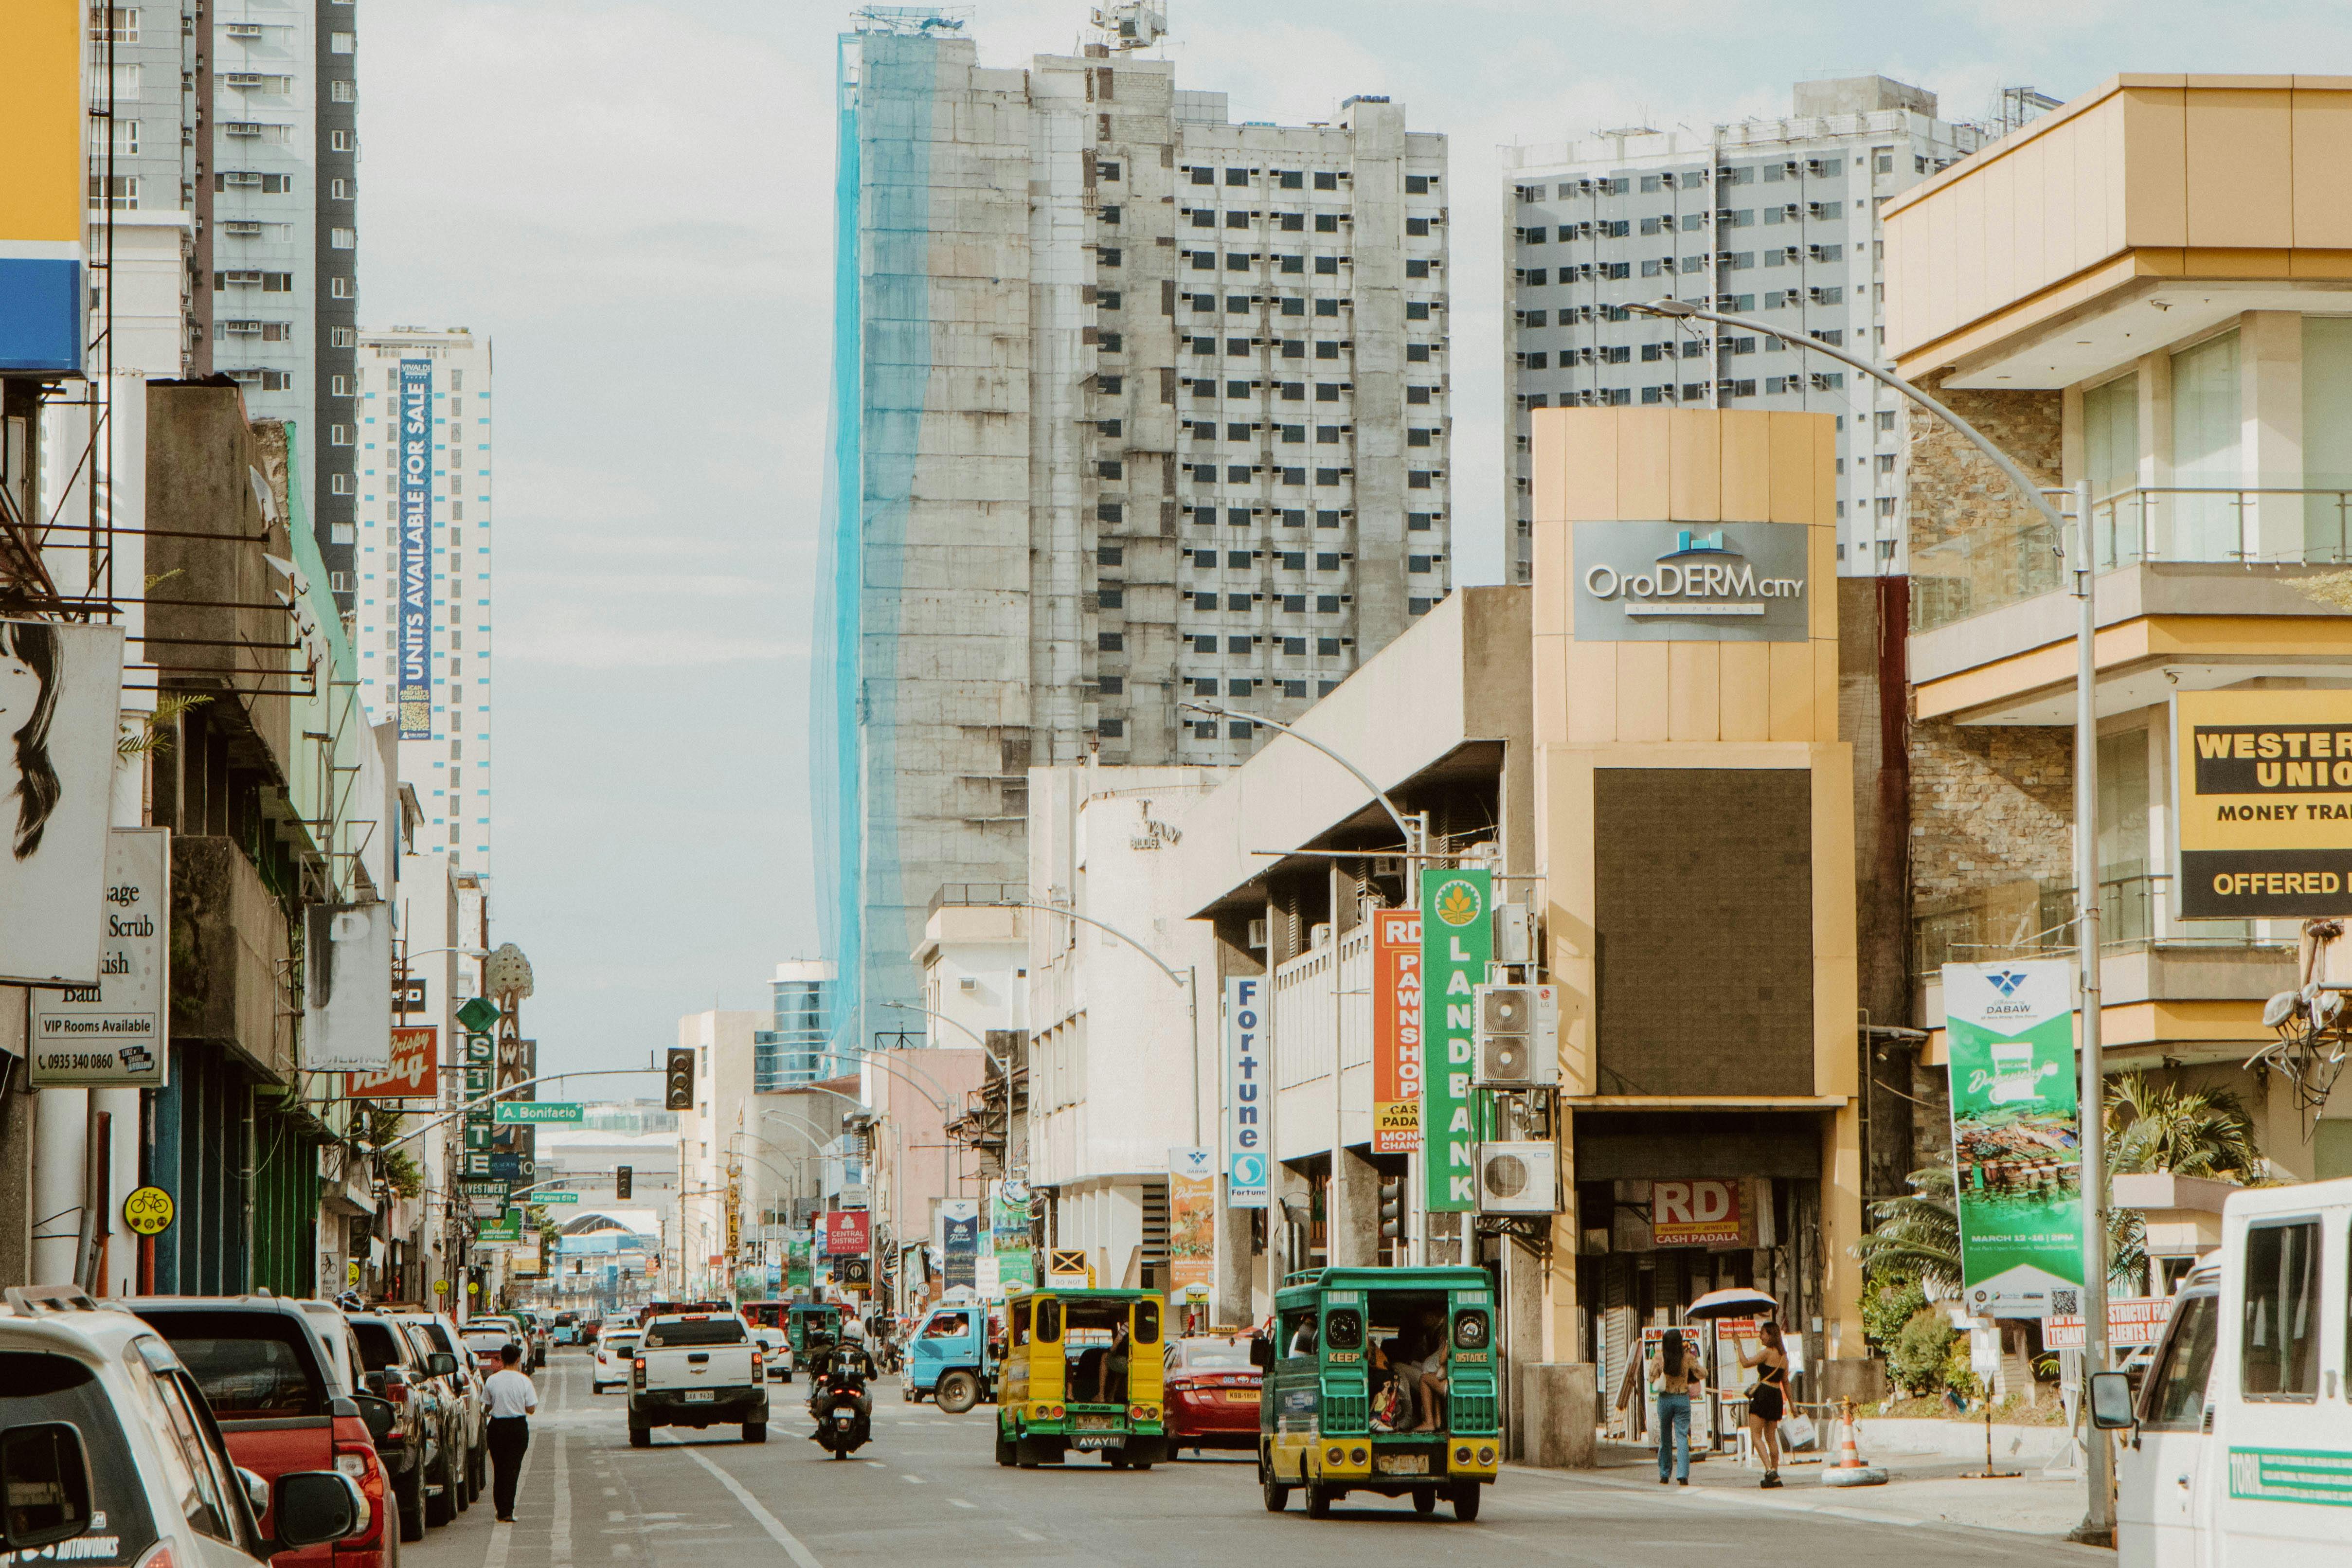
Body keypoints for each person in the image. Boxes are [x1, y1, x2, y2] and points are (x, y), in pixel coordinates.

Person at [483, 1342, 538, 1523]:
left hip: (497, 1428)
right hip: (517, 1428)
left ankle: (501, 1508)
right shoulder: (524, 1380)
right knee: (513, 1469)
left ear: (502, 1359)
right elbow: (531, 1408)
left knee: (499, 1469)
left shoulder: (492, 1380)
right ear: (517, 1359)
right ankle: (508, 1510)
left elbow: (487, 1406)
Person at [1739, 1320, 1791, 1489]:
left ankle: (1769, 1470)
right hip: (1776, 1396)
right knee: (1771, 1437)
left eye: (1763, 1334)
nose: (1760, 1337)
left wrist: (1738, 1345)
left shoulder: (1767, 1353)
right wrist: (1793, 1403)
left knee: (1756, 1435)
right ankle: (1774, 1475)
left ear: (1771, 1335)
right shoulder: (1784, 1357)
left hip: (1763, 1394)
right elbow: (1786, 1383)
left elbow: (1745, 1363)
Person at [1648, 1329, 1702, 1487]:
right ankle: (1683, 1476)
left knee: (1665, 1436)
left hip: (1665, 1399)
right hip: (1682, 1399)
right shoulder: (1688, 1358)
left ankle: (1664, 1474)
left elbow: (1651, 1377)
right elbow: (1702, 1373)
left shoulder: (1659, 1356)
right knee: (1682, 1437)